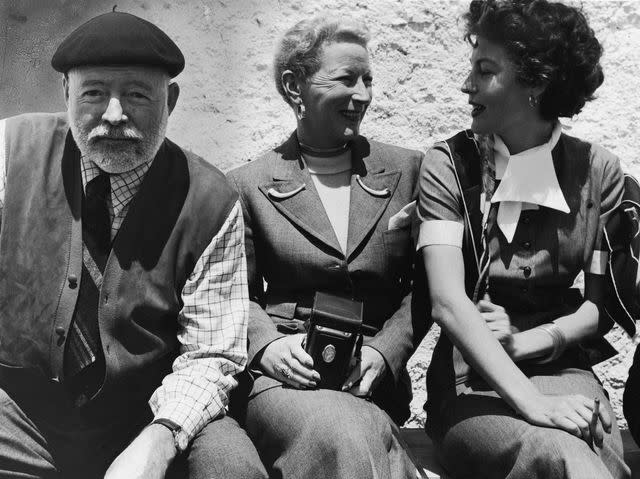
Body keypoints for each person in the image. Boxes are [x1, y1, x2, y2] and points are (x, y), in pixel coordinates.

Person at [0, 11, 268, 479]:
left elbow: (210, 354)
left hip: (141, 418)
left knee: (231, 465)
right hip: (19, 418)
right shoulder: (10, 149)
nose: (114, 115)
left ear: (172, 100)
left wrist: (161, 436)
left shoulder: (210, 199)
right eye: (94, 93)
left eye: (138, 95)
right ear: (66, 94)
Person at [416, 1, 631, 478]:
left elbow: (600, 308)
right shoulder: (448, 166)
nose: (466, 85)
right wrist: (533, 402)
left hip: (564, 370)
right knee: (559, 455)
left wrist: (528, 343)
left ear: (536, 83)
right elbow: (447, 302)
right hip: (471, 377)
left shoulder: (599, 172)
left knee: (595, 448)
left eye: (485, 71)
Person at [227, 15, 428, 479]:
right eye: (346, 79)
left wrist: (385, 352)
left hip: (370, 384)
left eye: (368, 80)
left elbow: (432, 285)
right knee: (345, 436)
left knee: (356, 434)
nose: (362, 95)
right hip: (285, 380)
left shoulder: (410, 172)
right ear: (295, 87)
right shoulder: (247, 185)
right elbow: (236, 290)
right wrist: (267, 346)